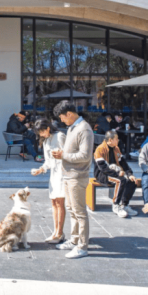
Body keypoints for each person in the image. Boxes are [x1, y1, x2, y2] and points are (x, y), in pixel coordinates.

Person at [51, 100, 94, 259]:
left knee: (80, 212)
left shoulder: (84, 129)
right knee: (71, 209)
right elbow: (73, 151)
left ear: (69, 114)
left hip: (77, 176)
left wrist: (63, 155)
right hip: (68, 175)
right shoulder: (72, 128)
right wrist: (62, 153)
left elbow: (85, 156)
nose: (62, 121)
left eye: (62, 117)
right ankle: (75, 239)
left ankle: (82, 246)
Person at [31, 119, 66, 244]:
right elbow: (48, 161)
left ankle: (59, 233)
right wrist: (41, 169)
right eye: (39, 133)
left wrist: (62, 155)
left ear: (48, 128)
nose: (41, 134)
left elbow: (69, 154)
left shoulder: (60, 136)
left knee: (60, 202)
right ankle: (55, 231)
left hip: (63, 173)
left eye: (42, 131)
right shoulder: (45, 141)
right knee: (54, 202)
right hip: (54, 174)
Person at [94, 131, 138, 219]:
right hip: (102, 174)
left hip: (115, 172)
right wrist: (117, 173)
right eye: (116, 139)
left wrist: (129, 174)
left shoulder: (116, 148)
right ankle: (116, 205)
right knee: (120, 181)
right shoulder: (100, 149)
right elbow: (103, 168)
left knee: (132, 181)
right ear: (110, 140)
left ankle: (124, 205)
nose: (118, 140)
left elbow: (123, 163)